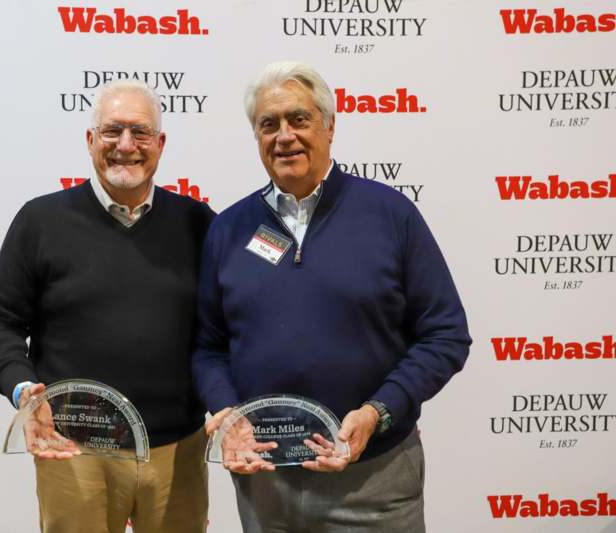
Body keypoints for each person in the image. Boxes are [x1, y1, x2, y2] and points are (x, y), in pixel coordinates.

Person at [193, 61, 472, 532]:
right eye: (269, 124)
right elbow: (208, 346)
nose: (284, 136)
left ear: (329, 126)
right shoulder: (229, 228)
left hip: (374, 484)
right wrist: (227, 412)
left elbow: (446, 335)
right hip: (267, 488)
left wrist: (378, 413)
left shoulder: (390, 214)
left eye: (298, 119)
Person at [0, 79, 214, 533]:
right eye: (112, 131)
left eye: (140, 133)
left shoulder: (199, 224)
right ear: (90, 140)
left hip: (176, 450)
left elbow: (224, 329)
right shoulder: (40, 221)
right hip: (73, 449)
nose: (126, 146)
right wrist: (23, 390)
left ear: (160, 144)